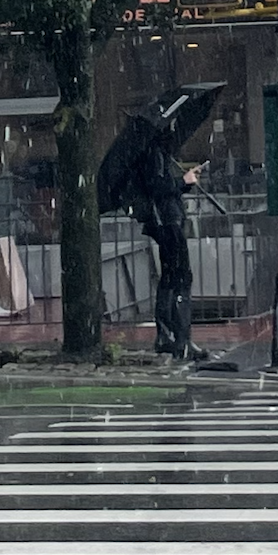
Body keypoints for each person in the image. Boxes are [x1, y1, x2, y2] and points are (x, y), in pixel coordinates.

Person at [96, 99, 201, 361]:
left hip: (163, 220)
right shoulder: (154, 154)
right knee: (180, 276)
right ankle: (181, 338)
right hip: (167, 220)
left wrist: (182, 182)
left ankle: (167, 335)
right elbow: (159, 188)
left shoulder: (152, 153)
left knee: (169, 277)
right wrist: (183, 181)